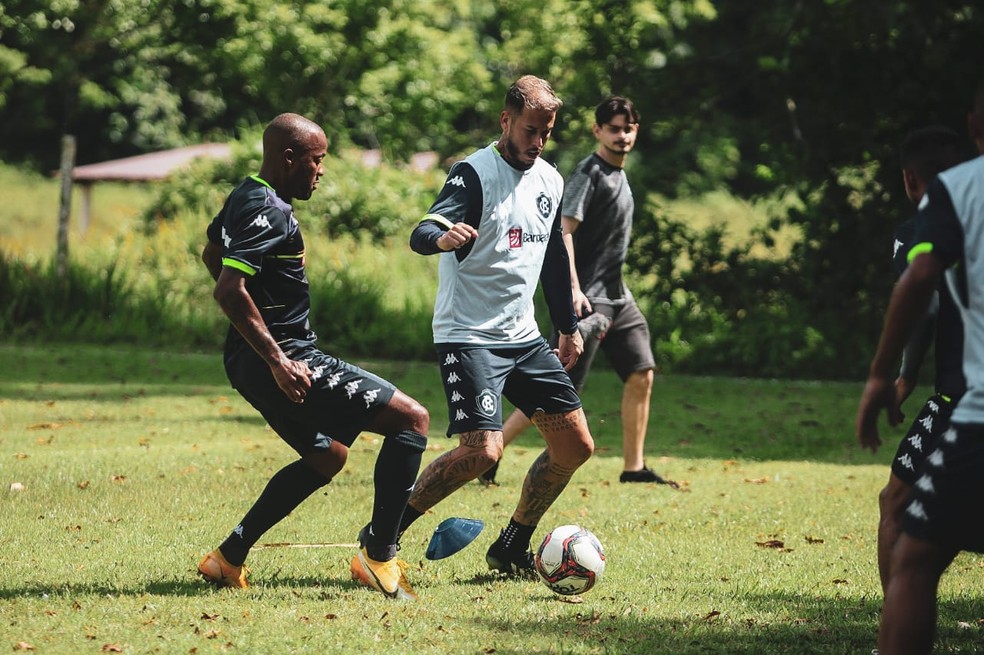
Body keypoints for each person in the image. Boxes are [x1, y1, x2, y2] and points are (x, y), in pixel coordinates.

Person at [198, 113, 429, 601]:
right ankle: (379, 557)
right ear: (289, 158)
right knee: (412, 420)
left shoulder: (247, 193)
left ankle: (228, 557)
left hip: (245, 360)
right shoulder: (271, 212)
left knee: (327, 455)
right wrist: (279, 360)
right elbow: (228, 288)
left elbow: (212, 254)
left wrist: (261, 335)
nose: (321, 170)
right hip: (287, 359)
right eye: (316, 160)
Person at [395, 75, 594, 576]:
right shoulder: (473, 174)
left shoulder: (550, 180)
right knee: (483, 451)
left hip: (523, 338)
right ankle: (385, 532)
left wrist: (567, 326)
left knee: (575, 446)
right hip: (468, 336)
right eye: (530, 130)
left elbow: (553, 258)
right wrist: (440, 240)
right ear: (506, 121)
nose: (538, 141)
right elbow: (424, 229)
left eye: (546, 132)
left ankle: (511, 545)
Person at [483, 95, 676, 488]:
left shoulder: (619, 174)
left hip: (619, 297)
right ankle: (492, 449)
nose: (622, 136)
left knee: (642, 372)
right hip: (588, 298)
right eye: (614, 129)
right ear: (597, 131)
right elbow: (563, 232)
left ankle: (633, 467)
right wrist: (573, 288)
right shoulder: (590, 173)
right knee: (558, 389)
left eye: (628, 129)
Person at [856, 79, 984, 654]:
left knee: (908, 536)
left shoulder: (954, 196)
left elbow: (922, 281)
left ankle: (896, 618)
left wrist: (886, 374)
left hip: (967, 401)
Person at [876, 126, 967, 597]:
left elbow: (924, 304)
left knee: (896, 504)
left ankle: (896, 626)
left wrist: (902, 376)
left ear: (910, 179)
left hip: (963, 397)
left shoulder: (918, 232)